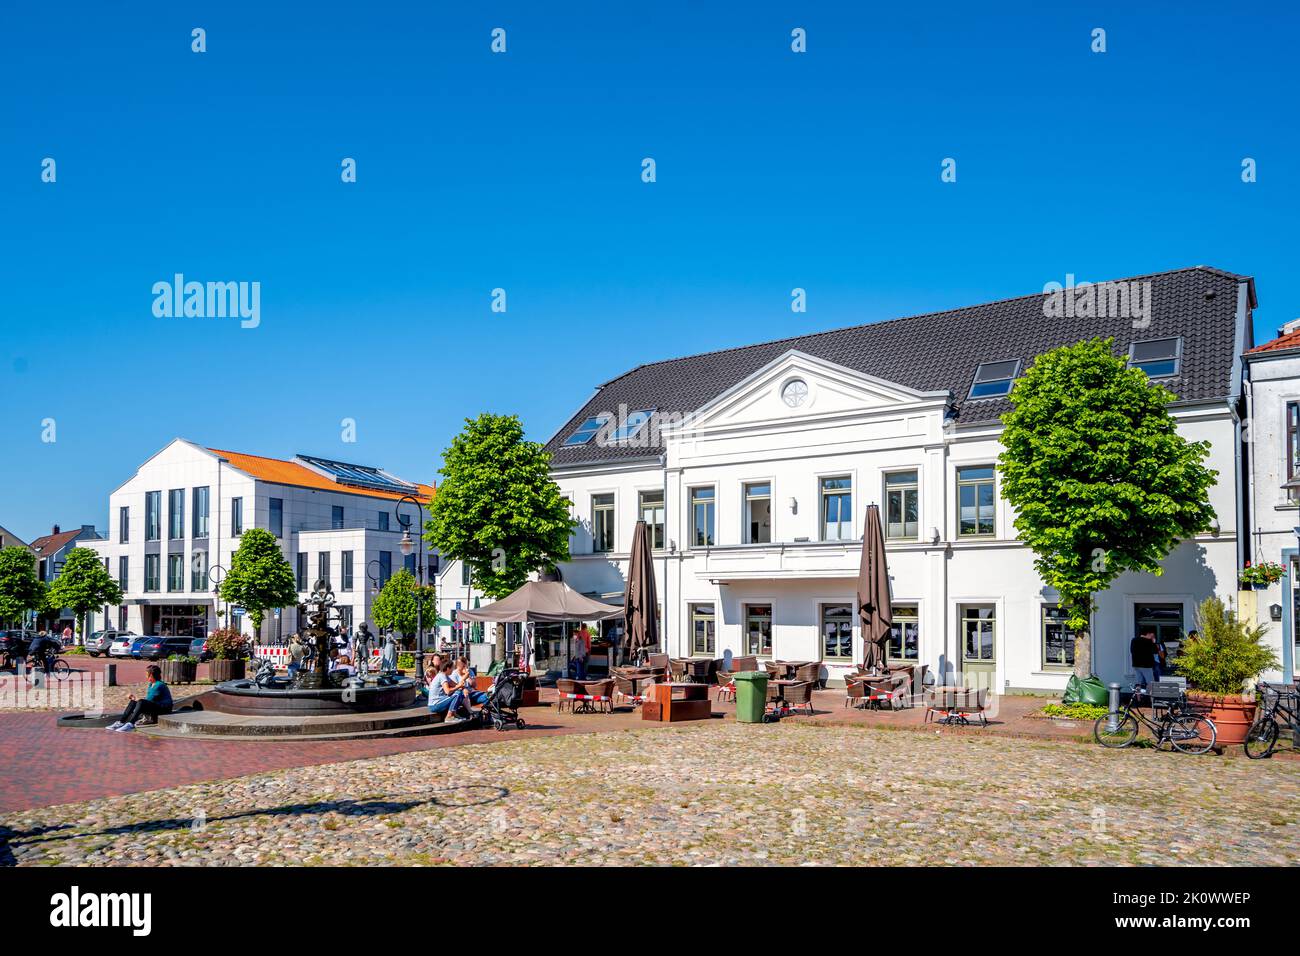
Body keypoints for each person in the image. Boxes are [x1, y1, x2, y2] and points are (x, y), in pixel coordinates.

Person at [106, 664, 173, 732]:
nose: (146, 676)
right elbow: (148, 700)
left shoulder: (159, 685)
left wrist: (135, 698)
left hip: (164, 709)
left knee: (139, 701)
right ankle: (121, 722)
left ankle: (131, 724)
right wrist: (135, 699)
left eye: (147, 674)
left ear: (151, 675)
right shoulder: (152, 684)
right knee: (134, 702)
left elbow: (148, 700)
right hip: (157, 706)